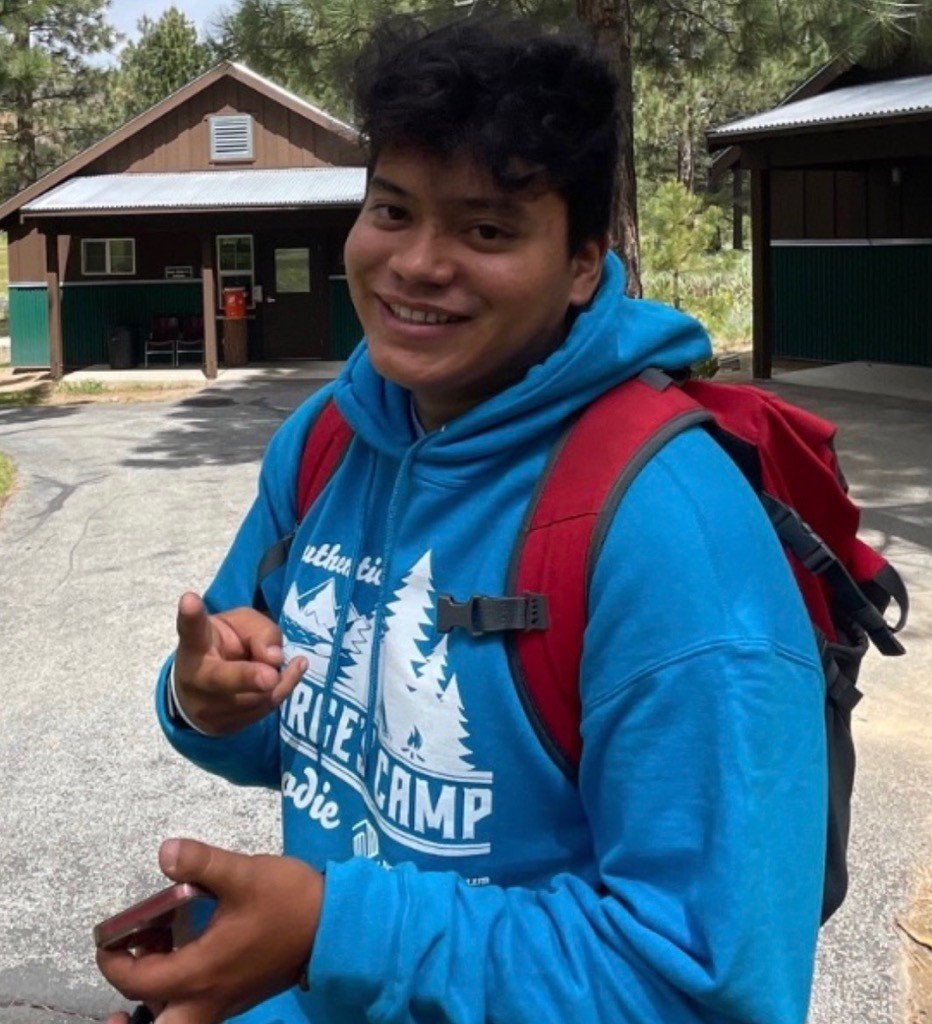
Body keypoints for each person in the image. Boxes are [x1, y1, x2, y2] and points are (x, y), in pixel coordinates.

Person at [98, 13, 827, 1024]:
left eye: (486, 230)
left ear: (582, 262)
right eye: (393, 211)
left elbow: (712, 986)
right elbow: (282, 737)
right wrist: (204, 697)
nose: (417, 264)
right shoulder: (328, 441)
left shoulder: (668, 532)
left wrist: (335, 931)